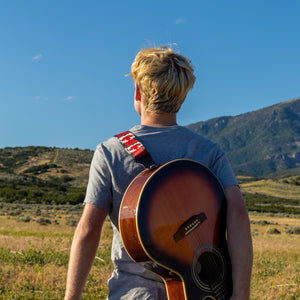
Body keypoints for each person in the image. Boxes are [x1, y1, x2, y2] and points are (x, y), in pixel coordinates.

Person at [64, 46, 253, 300]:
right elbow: (238, 213)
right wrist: (240, 293)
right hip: (203, 293)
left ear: (137, 91)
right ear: (182, 96)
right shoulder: (210, 151)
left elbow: (88, 231)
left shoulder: (110, 152)